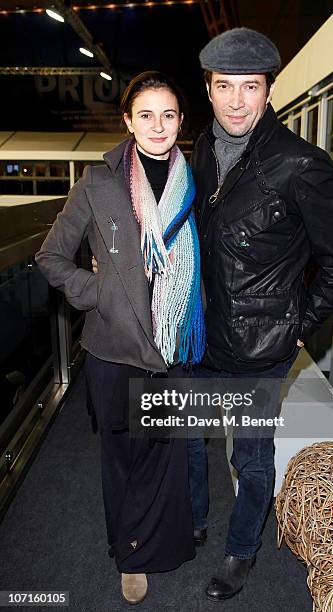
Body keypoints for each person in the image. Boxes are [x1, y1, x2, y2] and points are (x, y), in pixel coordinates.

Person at [188, 28, 333, 601]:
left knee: (252, 455)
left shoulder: (300, 164)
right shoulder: (201, 150)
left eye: (251, 87)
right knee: (188, 433)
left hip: (261, 348)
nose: (237, 101)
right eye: (225, 87)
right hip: (203, 336)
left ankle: (241, 552)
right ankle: (193, 521)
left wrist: (294, 325)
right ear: (209, 91)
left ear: (268, 92)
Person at [35, 71, 205, 605]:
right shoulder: (97, 183)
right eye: (146, 115)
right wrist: (99, 290)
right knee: (126, 457)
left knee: (165, 454)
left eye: (169, 114)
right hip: (116, 349)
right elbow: (50, 258)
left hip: (173, 345)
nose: (159, 126)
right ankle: (130, 555)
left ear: (181, 121)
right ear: (127, 121)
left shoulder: (194, 180)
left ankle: (160, 542)